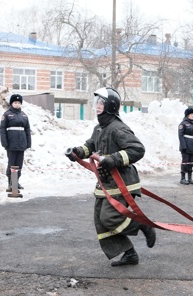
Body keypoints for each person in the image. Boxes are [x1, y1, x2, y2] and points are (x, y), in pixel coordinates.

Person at [66, 87, 155, 267]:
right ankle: (129, 254)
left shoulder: (118, 128)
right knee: (101, 221)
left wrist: (113, 159)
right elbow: (90, 146)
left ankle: (143, 225)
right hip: (106, 183)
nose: (97, 106)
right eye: (97, 102)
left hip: (123, 183)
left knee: (109, 218)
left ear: (110, 106)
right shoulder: (99, 128)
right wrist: (77, 152)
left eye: (101, 103)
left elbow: (137, 149)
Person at [0, 94, 31, 191]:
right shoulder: (7, 114)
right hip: (11, 143)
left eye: (19, 103)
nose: (17, 104)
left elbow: (27, 130)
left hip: (21, 144)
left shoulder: (24, 115)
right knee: (12, 164)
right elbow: (2, 129)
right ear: (11, 103)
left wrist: (28, 143)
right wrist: (4, 142)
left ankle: (16, 182)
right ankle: (11, 184)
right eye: (15, 103)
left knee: (19, 164)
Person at [178, 107, 193, 185]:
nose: (192, 116)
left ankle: (190, 177)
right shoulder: (183, 124)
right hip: (186, 145)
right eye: (191, 114)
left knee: (191, 162)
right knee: (185, 161)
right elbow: (180, 136)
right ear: (187, 115)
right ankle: (183, 178)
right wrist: (183, 146)